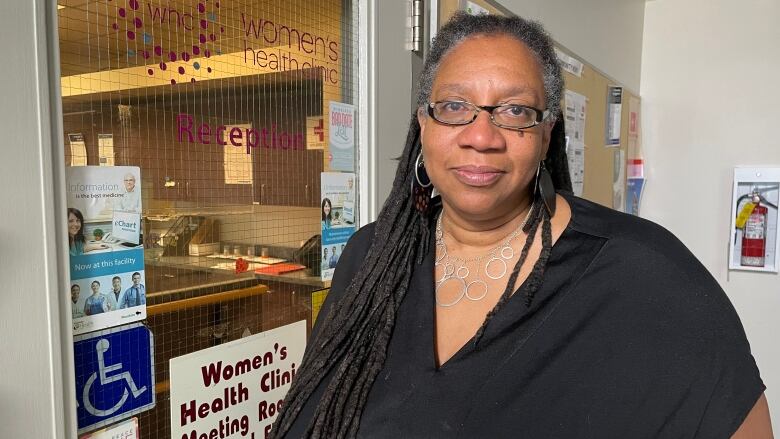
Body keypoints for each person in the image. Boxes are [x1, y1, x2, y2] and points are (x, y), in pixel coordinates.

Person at [272, 13, 771, 439]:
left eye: (514, 110)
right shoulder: (371, 256)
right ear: (423, 123)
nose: (481, 135)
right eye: (454, 106)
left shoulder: (647, 276)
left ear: (546, 131)